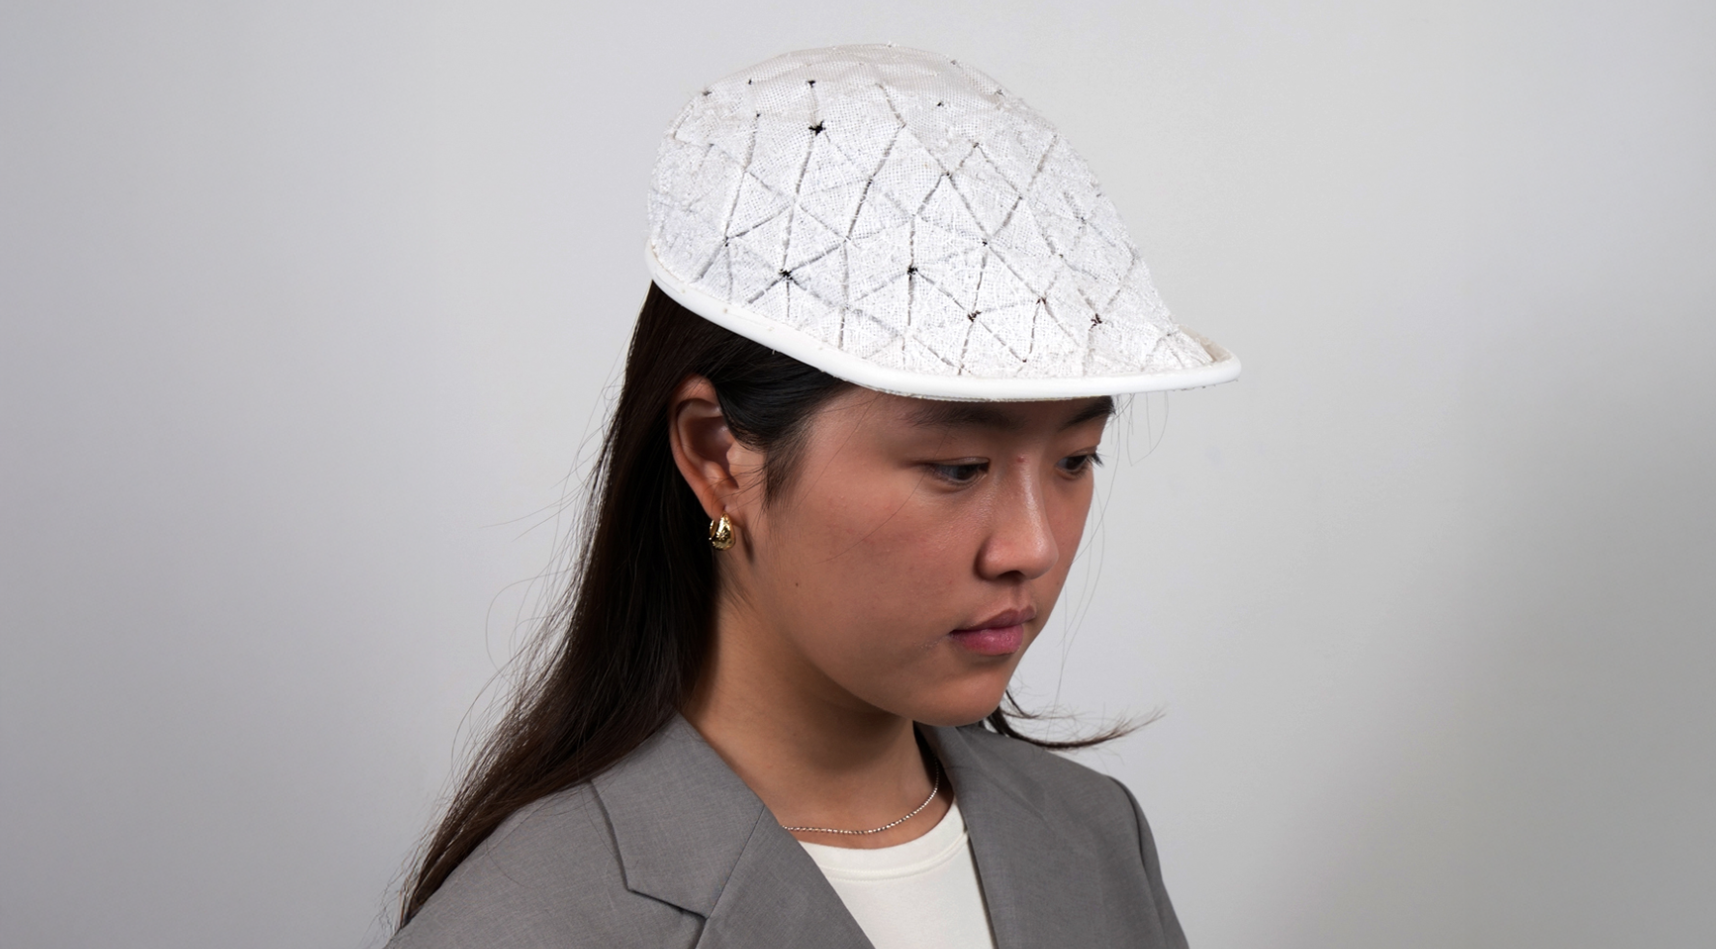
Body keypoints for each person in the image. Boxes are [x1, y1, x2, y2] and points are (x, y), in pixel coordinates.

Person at [387, 44, 1239, 949]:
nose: (1032, 545)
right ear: (719, 455)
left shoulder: (1096, 839)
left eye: (1076, 458)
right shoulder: (532, 921)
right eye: (958, 467)